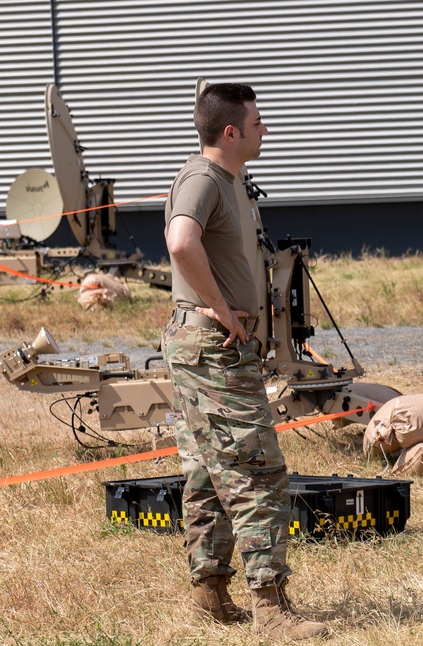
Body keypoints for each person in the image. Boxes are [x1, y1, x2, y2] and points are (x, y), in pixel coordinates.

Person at [161, 82, 327, 640]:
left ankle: (210, 590)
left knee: (210, 471)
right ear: (230, 132)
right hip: (213, 347)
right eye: (257, 122)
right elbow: (181, 242)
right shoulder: (203, 179)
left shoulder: (230, 182)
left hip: (215, 347)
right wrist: (221, 309)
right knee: (257, 472)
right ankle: (272, 609)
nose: (265, 128)